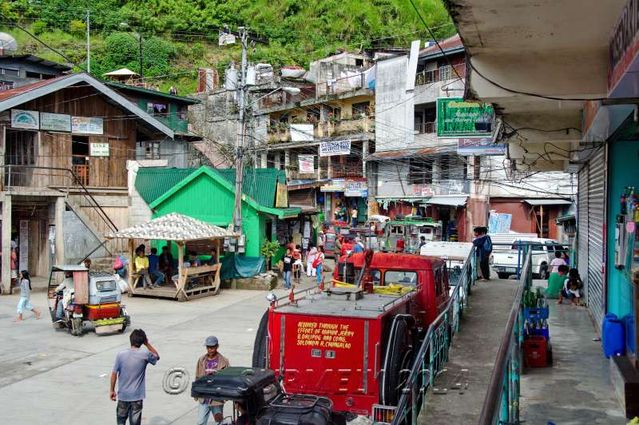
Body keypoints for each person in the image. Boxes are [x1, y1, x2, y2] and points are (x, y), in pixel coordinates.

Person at [110, 329, 159, 425]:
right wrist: (147, 344)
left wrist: (112, 390)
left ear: (130, 340)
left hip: (123, 396)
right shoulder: (145, 354)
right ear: (142, 342)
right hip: (137, 397)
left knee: (121, 421)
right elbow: (156, 356)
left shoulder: (120, 355)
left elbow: (114, 374)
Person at [195, 336, 230, 425]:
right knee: (200, 422)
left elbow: (228, 380)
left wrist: (225, 396)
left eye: (212, 347)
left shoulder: (224, 361)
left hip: (216, 398)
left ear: (217, 346)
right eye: (208, 347)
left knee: (219, 422)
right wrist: (196, 392)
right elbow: (197, 377)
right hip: (204, 397)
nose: (210, 350)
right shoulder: (201, 360)